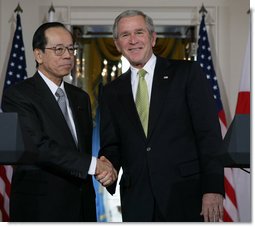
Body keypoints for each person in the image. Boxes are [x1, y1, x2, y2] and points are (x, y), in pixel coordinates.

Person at [96, 10, 225, 222]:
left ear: (153, 38)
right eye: (125, 35)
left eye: (139, 32)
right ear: (117, 44)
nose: (133, 40)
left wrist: (212, 189)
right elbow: (112, 145)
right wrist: (106, 166)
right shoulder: (111, 92)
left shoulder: (187, 73)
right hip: (137, 199)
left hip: (186, 196)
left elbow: (209, 136)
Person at [1, 22, 116, 221]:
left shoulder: (80, 97)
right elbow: (39, 147)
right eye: (59, 49)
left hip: (83, 207)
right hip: (41, 208)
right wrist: (94, 165)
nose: (68, 55)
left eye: (71, 49)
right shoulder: (18, 95)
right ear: (38, 55)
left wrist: (104, 165)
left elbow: (82, 149)